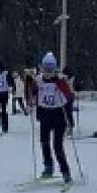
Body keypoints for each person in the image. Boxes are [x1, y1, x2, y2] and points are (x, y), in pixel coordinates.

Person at [28, 52, 73, 183]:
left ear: (55, 69)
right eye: (45, 69)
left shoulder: (60, 80)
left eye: (50, 70)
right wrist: (31, 102)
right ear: (41, 68)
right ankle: (48, 167)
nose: (47, 72)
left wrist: (60, 84)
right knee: (44, 142)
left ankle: (66, 172)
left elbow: (69, 96)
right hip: (45, 114)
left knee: (57, 146)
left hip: (58, 115)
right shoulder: (38, 80)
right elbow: (33, 93)